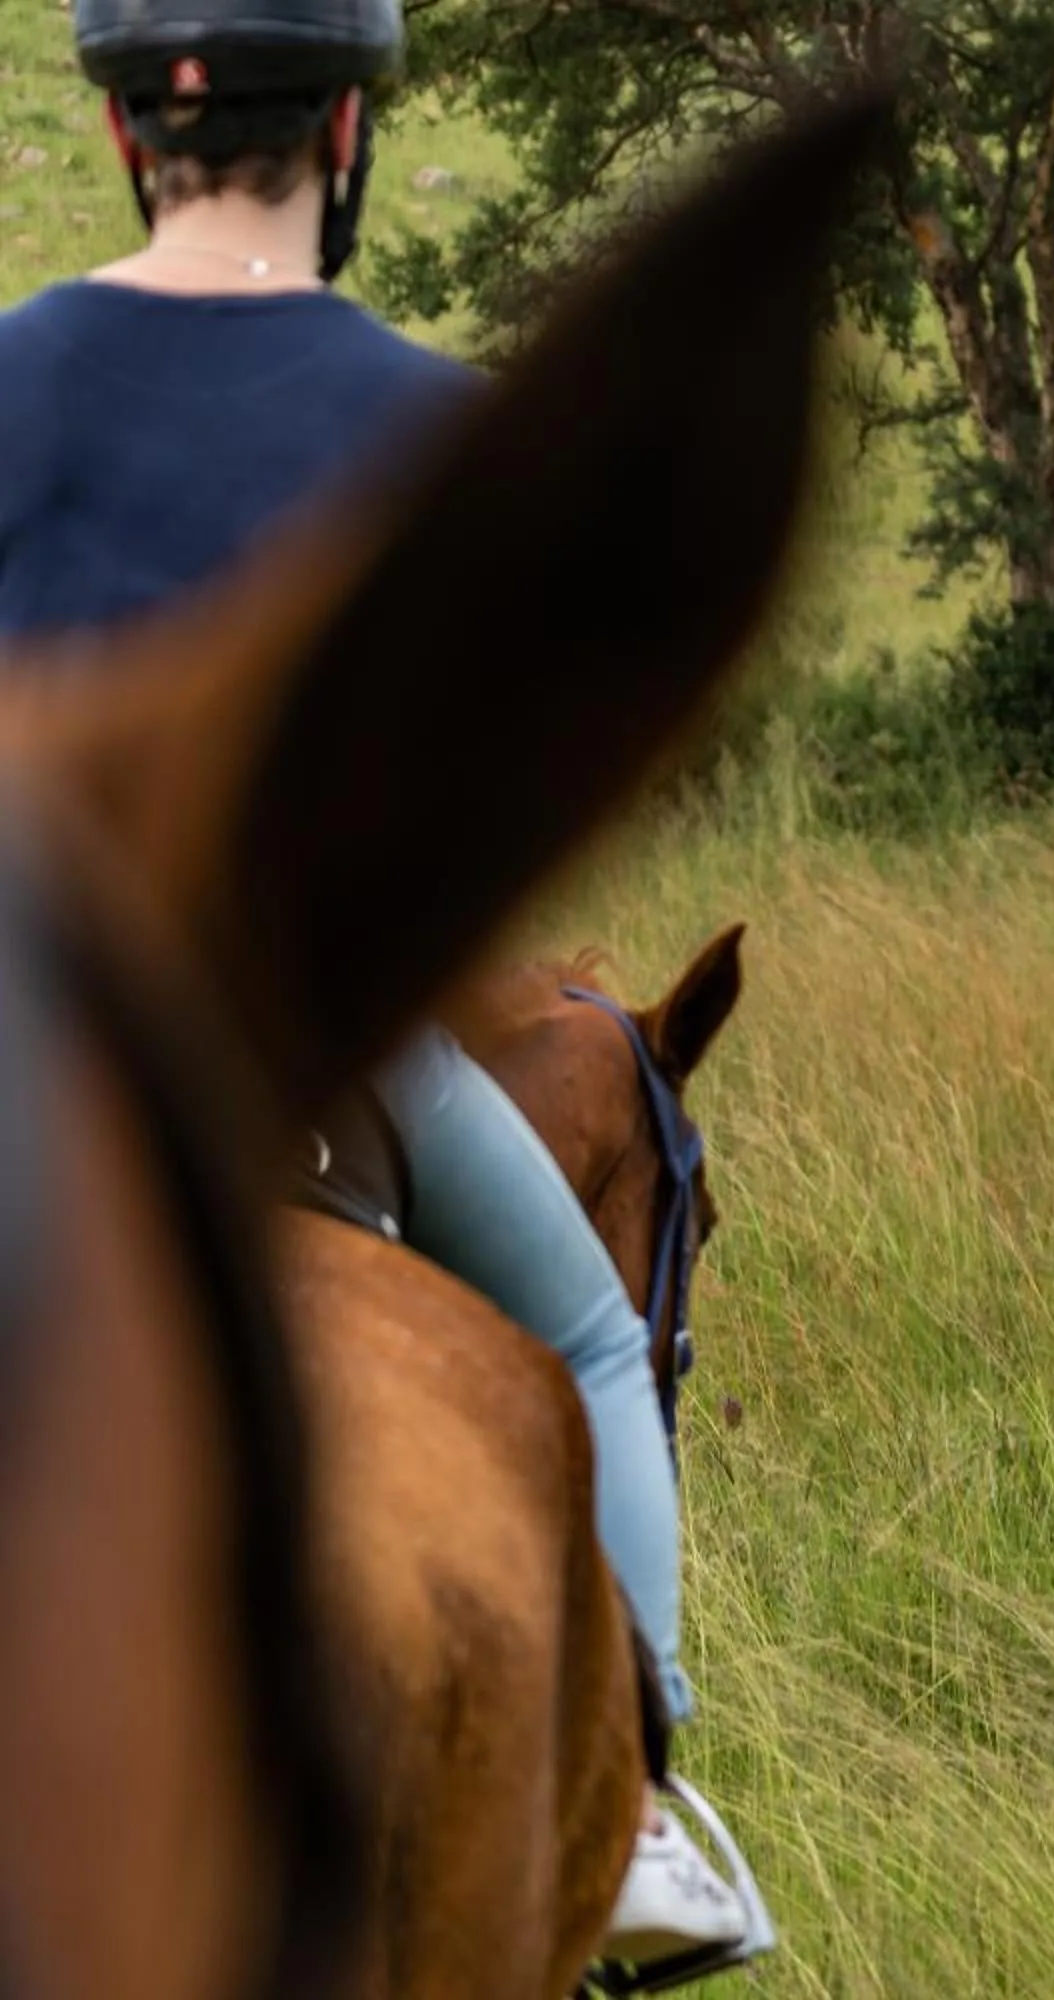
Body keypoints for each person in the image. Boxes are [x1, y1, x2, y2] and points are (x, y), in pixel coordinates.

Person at [0, 0, 750, 1960]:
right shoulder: (446, 426)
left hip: (29, 1042)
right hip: (326, 1056)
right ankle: (648, 1810)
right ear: (343, 129)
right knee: (590, 1354)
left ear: (112, 134)